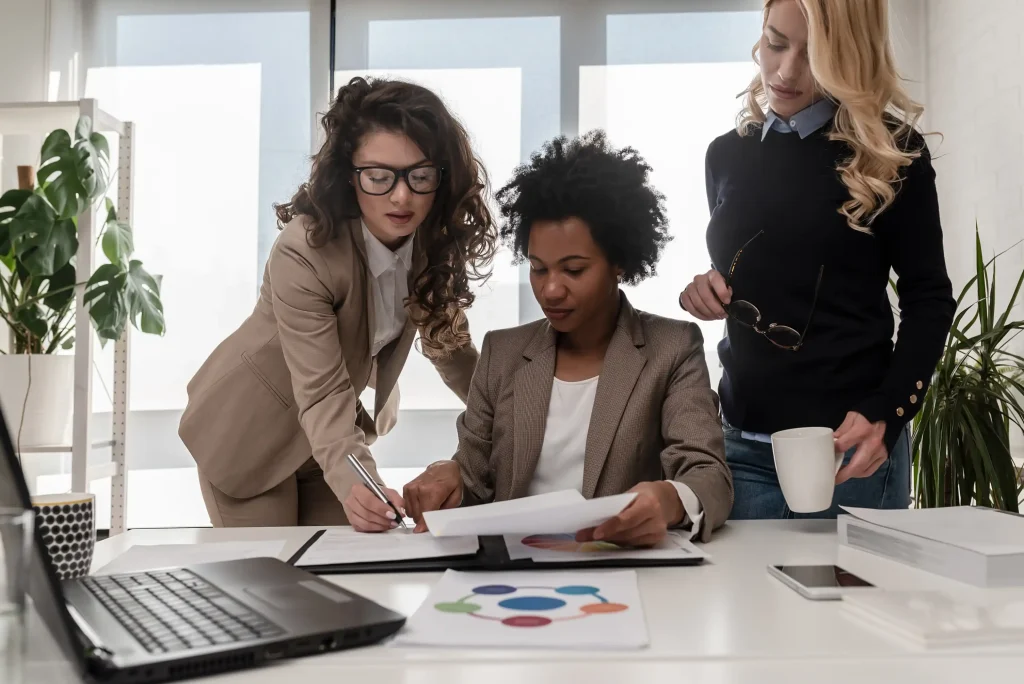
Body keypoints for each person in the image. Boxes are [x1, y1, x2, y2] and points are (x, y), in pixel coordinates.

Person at [178, 76, 497, 529]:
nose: (401, 195)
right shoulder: (304, 249)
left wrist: (515, 417)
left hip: (325, 443)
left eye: (419, 175)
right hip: (248, 436)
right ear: (350, 176)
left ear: (442, 177)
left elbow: (452, 351)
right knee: (276, 589)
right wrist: (358, 484)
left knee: (349, 575)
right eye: (379, 177)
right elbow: (323, 392)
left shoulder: (428, 244)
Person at [678, 0, 955, 519]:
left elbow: (930, 298)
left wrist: (887, 414)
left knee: (852, 603)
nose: (784, 71)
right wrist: (704, 289)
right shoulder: (725, 154)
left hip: (850, 456)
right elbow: (761, 262)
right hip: (740, 449)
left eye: (814, 56)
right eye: (775, 43)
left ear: (848, 59)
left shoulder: (893, 154)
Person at [402, 131, 733, 544]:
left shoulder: (672, 347)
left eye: (574, 270)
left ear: (620, 263)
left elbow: (708, 475)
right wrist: (448, 478)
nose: (551, 289)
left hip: (618, 573)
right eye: (539, 268)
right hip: (512, 577)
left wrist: (669, 499)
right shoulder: (502, 353)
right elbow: (472, 477)